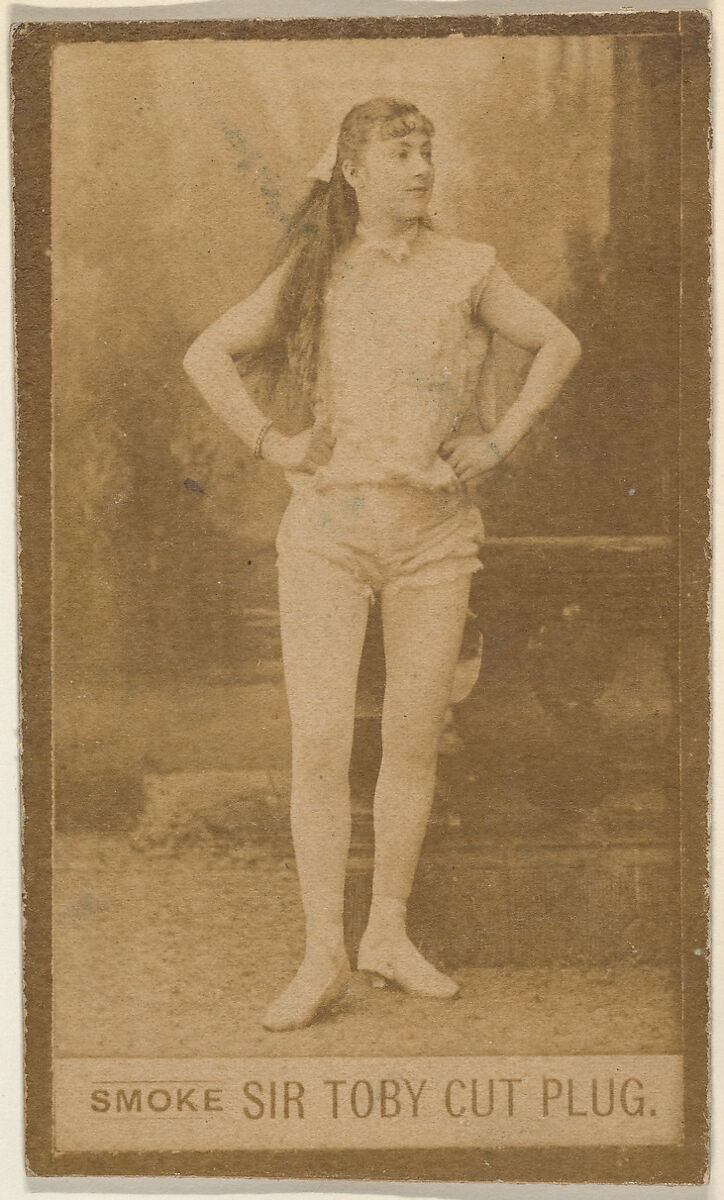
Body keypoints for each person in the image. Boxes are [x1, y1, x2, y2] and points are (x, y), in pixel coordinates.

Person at [183, 97, 581, 1032]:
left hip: (435, 538)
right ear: (354, 170)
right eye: (401, 153)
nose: (421, 169)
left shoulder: (467, 268)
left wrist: (501, 441)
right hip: (328, 535)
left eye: (428, 152)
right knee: (320, 743)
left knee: (410, 739)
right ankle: (323, 950)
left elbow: (559, 342)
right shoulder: (316, 272)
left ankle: (388, 934)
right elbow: (207, 353)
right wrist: (269, 441)